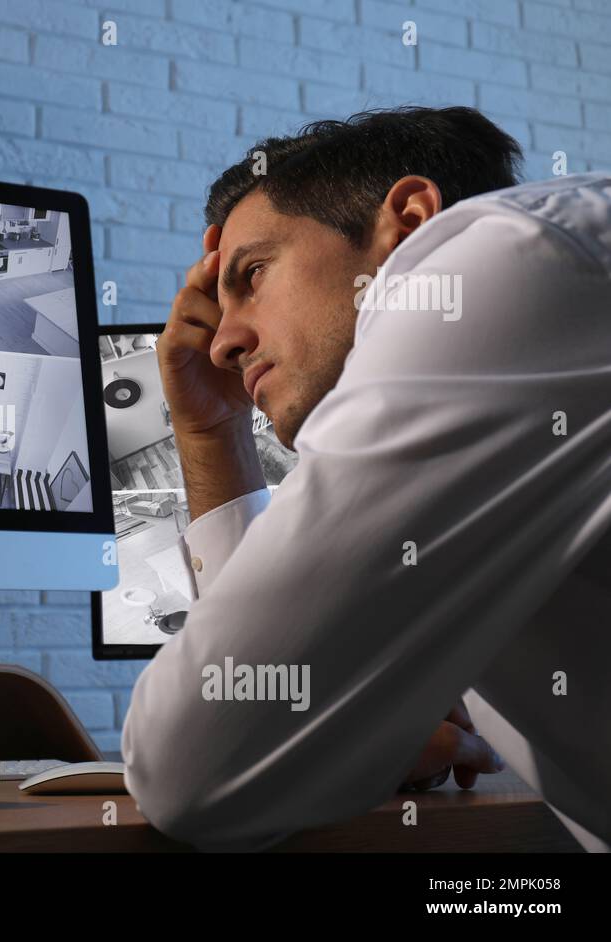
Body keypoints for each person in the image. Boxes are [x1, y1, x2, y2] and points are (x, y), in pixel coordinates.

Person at [120, 106, 611, 852]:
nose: (221, 343)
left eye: (252, 275)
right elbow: (258, 716)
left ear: (410, 221)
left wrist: (305, 738)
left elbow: (195, 770)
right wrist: (210, 435)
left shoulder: (498, 261)